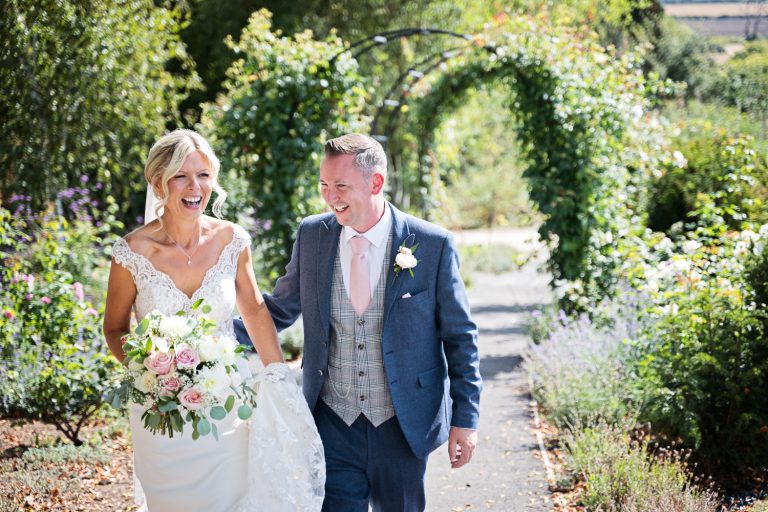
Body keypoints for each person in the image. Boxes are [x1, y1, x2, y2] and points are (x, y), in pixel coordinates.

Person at [236, 133, 482, 511]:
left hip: (404, 425)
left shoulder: (432, 244)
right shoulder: (313, 236)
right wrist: (208, 339)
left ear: (376, 183)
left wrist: (465, 419)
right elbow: (279, 308)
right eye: (324, 185)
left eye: (340, 186)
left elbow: (460, 338)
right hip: (332, 422)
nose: (330, 196)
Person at [103, 129, 324, 512]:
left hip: (225, 406)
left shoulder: (231, 240)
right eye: (181, 176)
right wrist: (150, 372)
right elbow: (114, 327)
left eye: (204, 175)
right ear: (158, 182)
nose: (195, 186)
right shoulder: (132, 252)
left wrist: (276, 374)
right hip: (160, 415)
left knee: (230, 499)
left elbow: (254, 310)